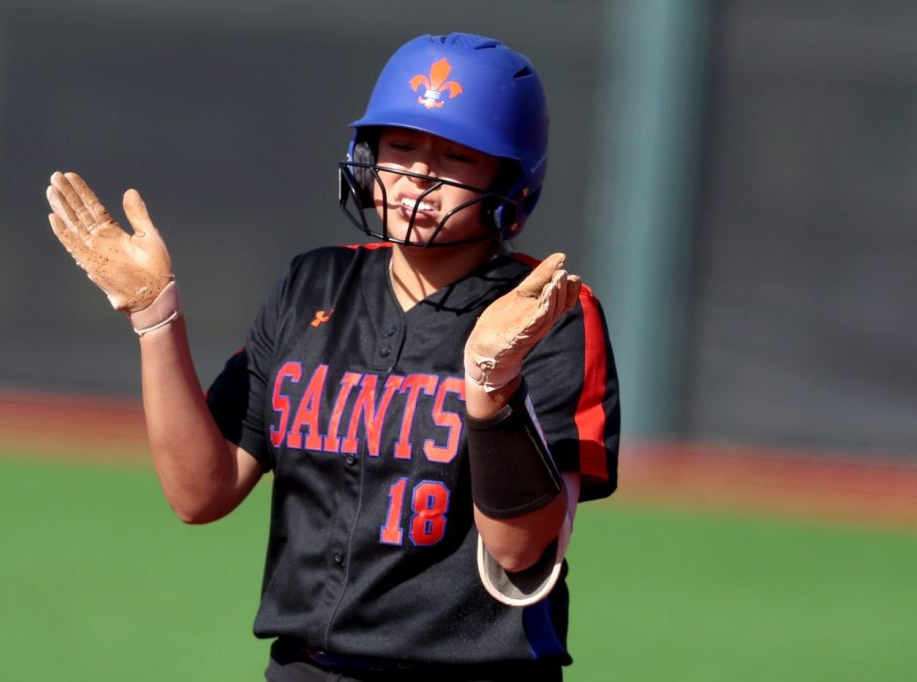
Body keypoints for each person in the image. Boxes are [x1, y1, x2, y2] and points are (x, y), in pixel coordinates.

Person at [46, 32, 619, 682]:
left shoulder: (549, 312)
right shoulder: (311, 286)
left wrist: (491, 384)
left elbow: (520, 552)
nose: (418, 176)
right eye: (401, 146)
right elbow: (199, 493)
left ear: (511, 180)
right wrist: (155, 318)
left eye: (456, 155)